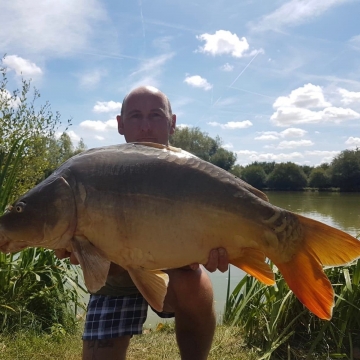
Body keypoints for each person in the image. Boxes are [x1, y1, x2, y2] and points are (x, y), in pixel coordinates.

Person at [56, 85, 229, 360]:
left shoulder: (191, 172)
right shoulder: (97, 170)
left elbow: (205, 247)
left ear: (172, 123)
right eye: (136, 116)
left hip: (173, 274)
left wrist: (216, 250)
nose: (146, 127)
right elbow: (93, 263)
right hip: (115, 276)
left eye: (156, 116)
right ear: (120, 124)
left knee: (194, 283)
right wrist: (83, 251)